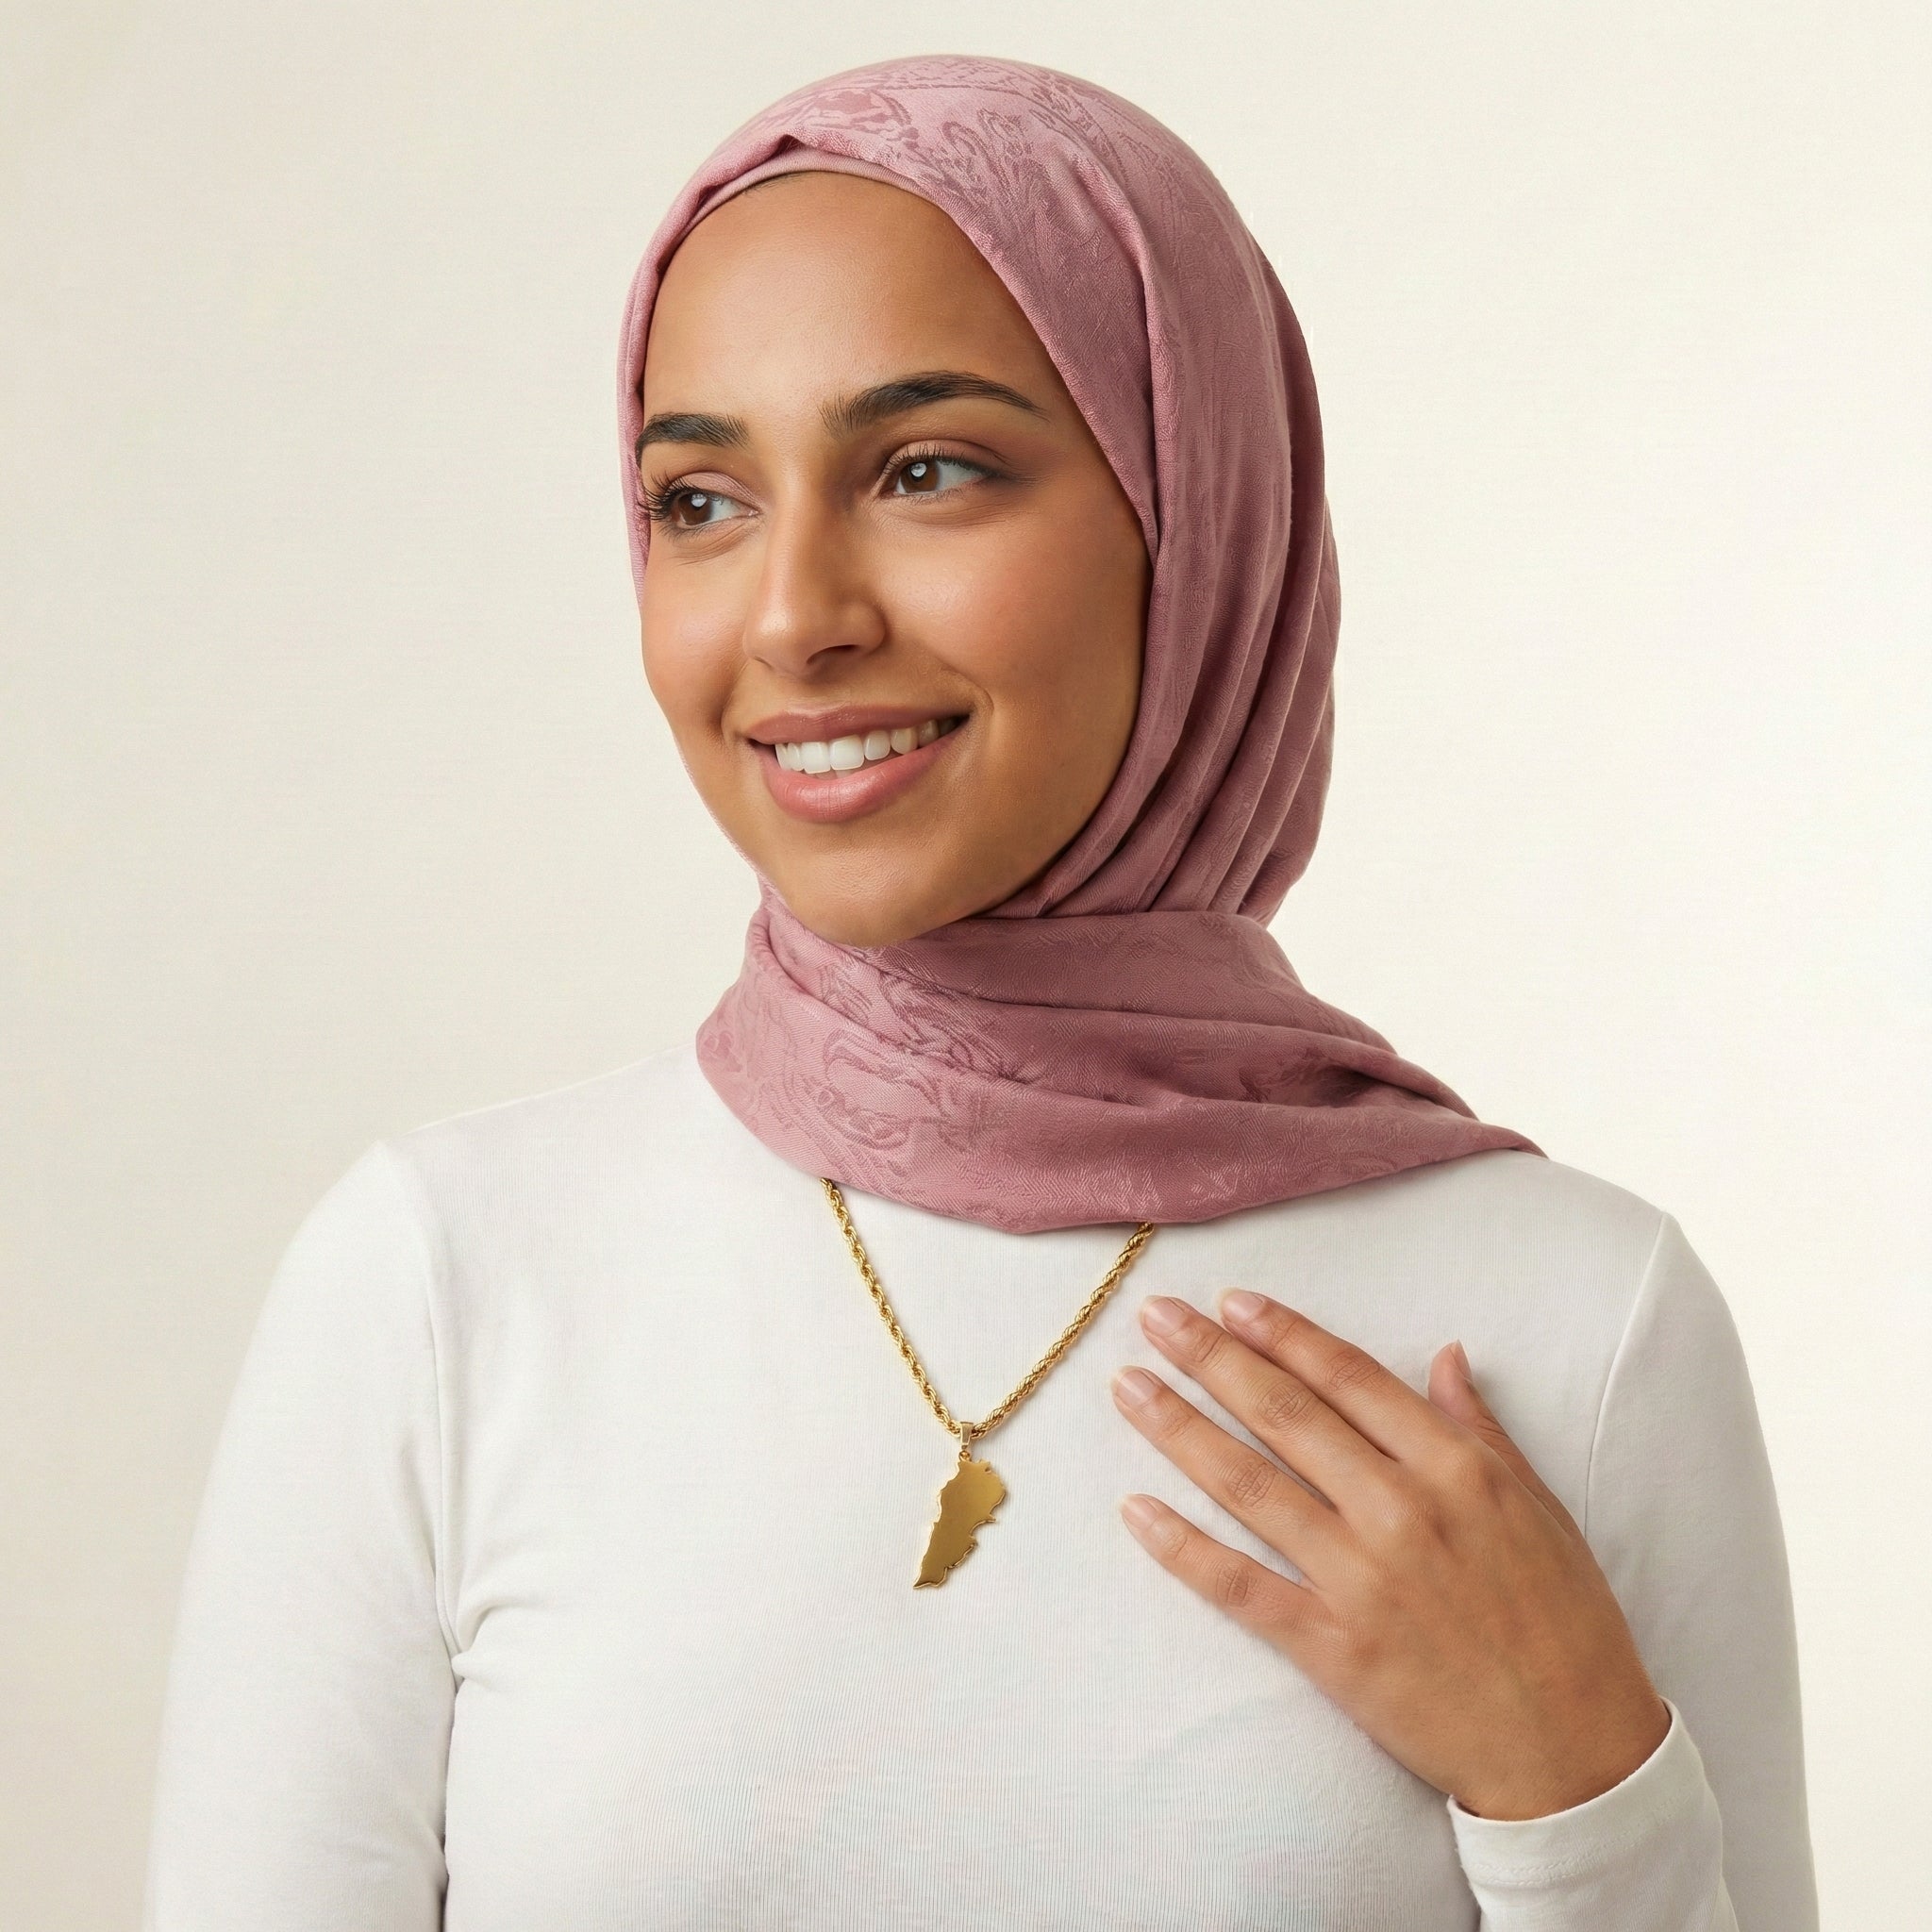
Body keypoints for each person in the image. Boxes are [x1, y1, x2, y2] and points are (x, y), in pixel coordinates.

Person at [141, 54, 1817, 1931]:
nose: (791, 614)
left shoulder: (1575, 1322)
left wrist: (1582, 1792)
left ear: (1194, 518)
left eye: (927, 470)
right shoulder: (444, 1285)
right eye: (698, 498)